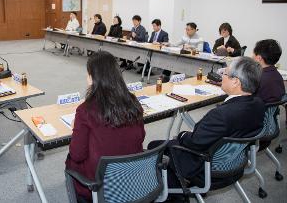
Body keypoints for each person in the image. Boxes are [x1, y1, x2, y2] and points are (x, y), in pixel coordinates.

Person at [148, 57, 264, 192]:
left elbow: (194, 142)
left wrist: (182, 135)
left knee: (154, 146)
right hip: (233, 163)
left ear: (235, 82)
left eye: (225, 74)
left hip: (205, 168)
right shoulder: (259, 105)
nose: (221, 77)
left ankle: (169, 188)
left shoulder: (221, 115)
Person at [65, 51, 145, 202]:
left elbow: (77, 154)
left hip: (100, 185)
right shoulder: (133, 101)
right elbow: (141, 137)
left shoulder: (85, 110)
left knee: (70, 161)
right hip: (131, 178)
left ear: (92, 77)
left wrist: (77, 127)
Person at [253, 39, 285, 103]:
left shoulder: (257, 79)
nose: (252, 56)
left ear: (259, 58)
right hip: (272, 111)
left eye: (253, 54)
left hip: (257, 110)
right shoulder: (277, 75)